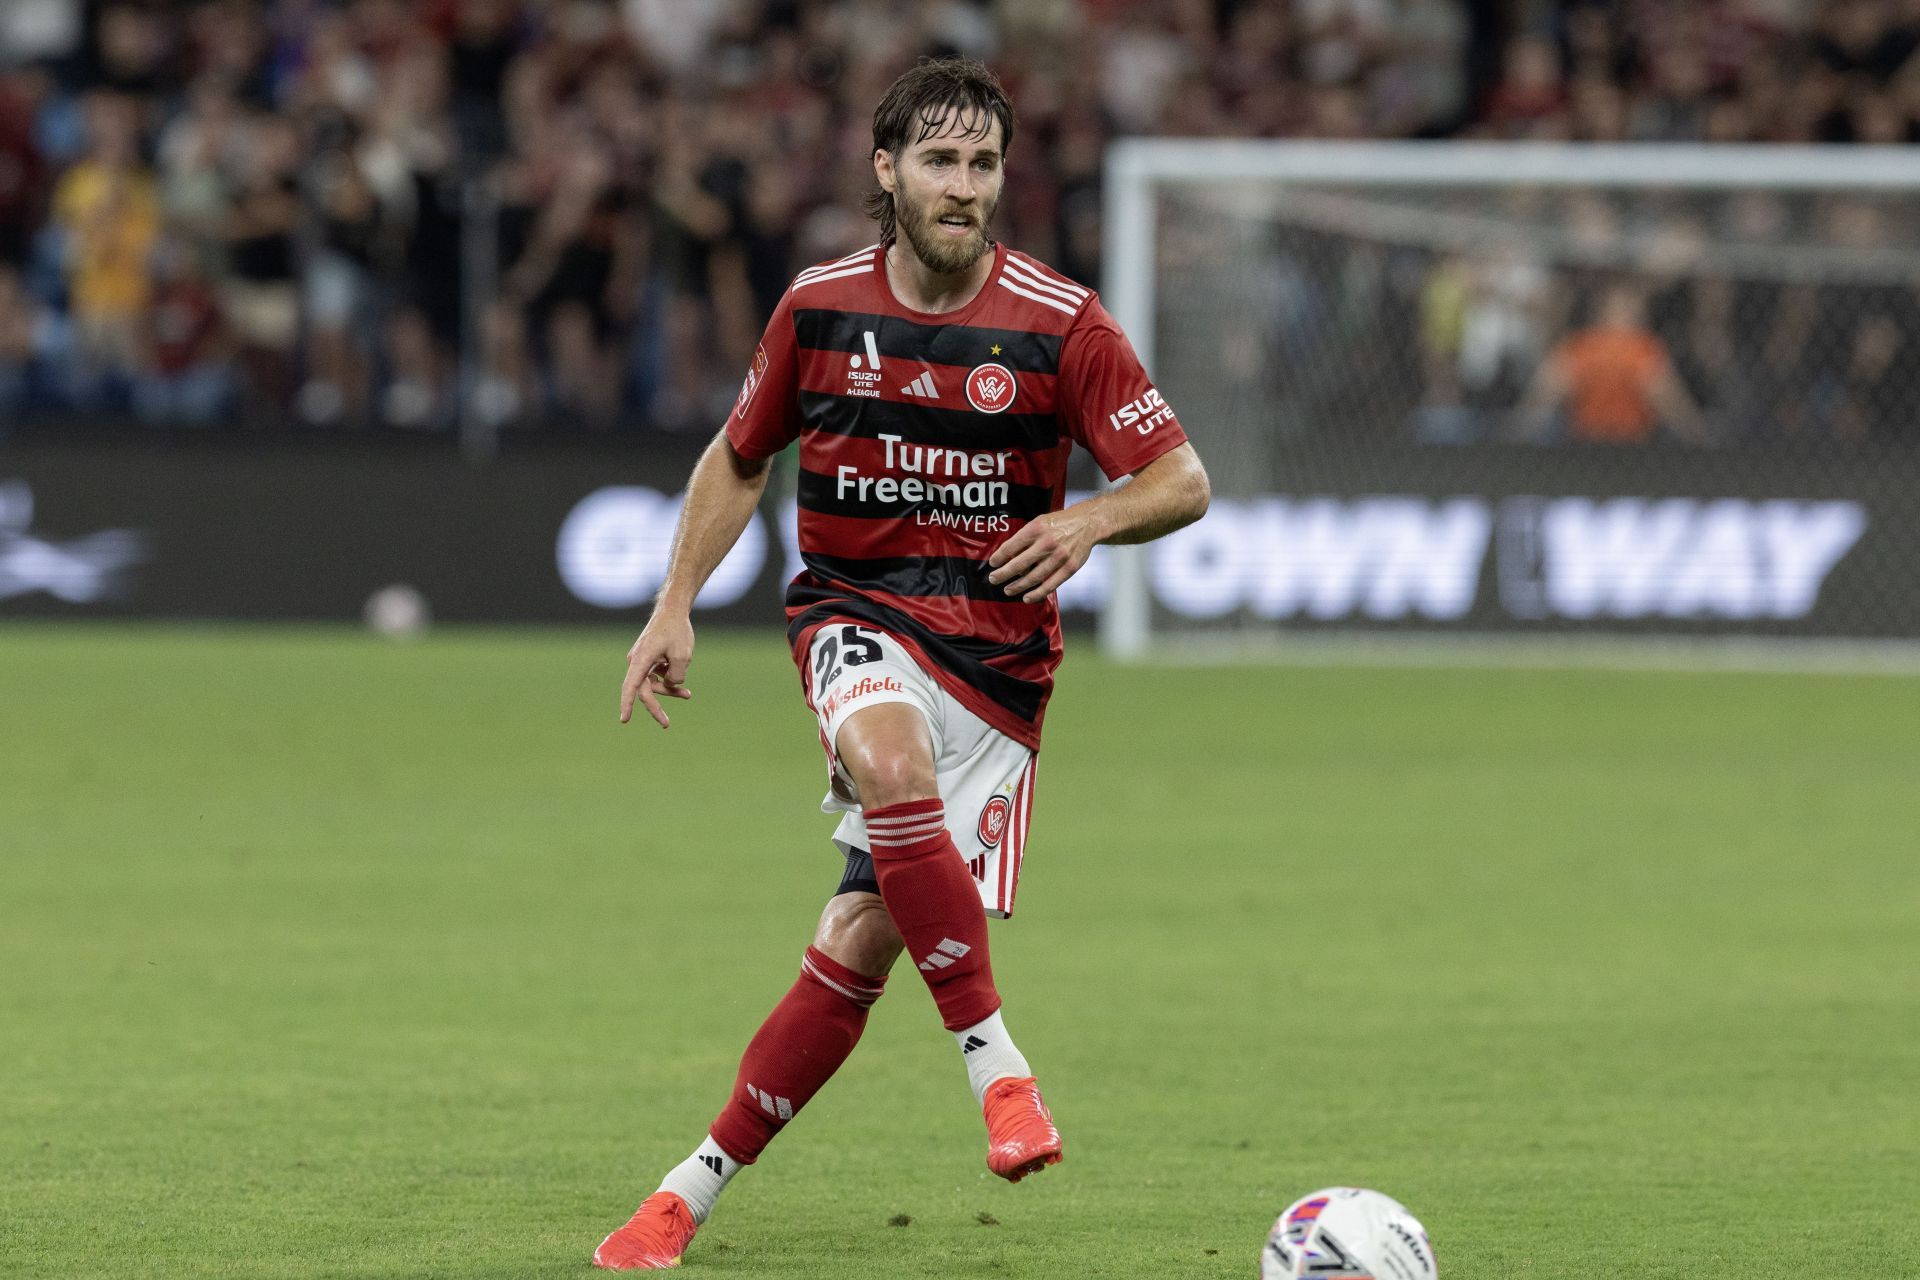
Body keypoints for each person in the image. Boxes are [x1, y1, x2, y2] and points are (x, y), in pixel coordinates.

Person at [591, 58, 1210, 1271]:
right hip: (855, 608)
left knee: (861, 938)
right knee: (885, 752)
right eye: (939, 161)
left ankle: (687, 1189)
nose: (963, 186)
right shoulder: (820, 307)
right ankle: (1000, 1068)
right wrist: (673, 604)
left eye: (982, 164)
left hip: (999, 665)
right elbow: (737, 456)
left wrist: (1086, 520)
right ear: (887, 171)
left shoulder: (1059, 320)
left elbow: (1181, 478)